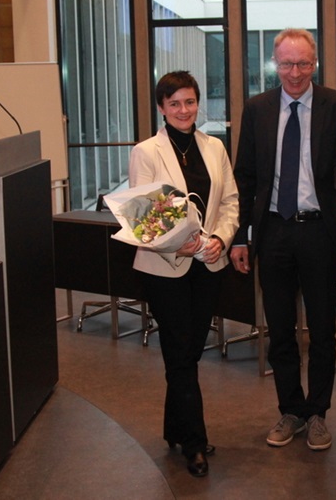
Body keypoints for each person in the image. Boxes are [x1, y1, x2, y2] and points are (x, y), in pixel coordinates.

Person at [230, 29, 336, 451]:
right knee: (279, 329)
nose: (294, 73)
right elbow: (244, 177)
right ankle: (291, 410)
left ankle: (318, 412)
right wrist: (242, 237)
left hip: (321, 232)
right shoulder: (258, 108)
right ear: (274, 64)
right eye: (285, 64)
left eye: (302, 64)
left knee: (323, 330)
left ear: (315, 64)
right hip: (274, 232)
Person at [128, 71, 239, 478]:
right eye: (174, 103)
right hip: (163, 266)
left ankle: (175, 428)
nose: (183, 110)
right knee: (179, 351)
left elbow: (229, 202)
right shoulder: (146, 152)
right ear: (161, 107)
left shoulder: (214, 147)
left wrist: (222, 240)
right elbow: (144, 214)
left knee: (189, 351)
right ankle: (194, 442)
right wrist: (180, 243)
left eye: (190, 102)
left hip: (209, 263)